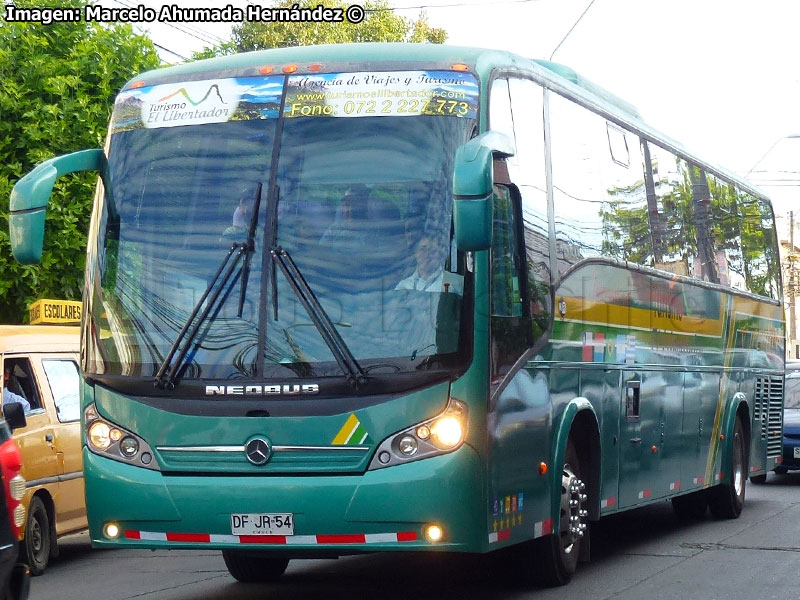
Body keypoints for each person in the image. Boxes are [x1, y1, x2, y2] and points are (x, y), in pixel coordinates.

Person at [395, 236, 463, 295]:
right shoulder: (403, 286)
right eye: (422, 249)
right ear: (415, 253)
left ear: (440, 255)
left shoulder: (457, 283)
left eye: (432, 250)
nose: (427, 254)